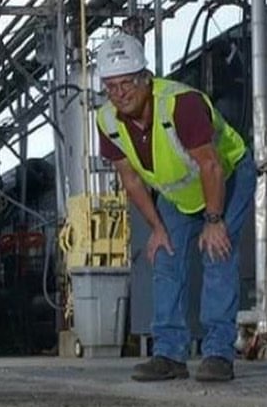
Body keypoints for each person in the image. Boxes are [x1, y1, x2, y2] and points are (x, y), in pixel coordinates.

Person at [95, 33, 256, 382]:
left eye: (127, 83)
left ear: (145, 78)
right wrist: (157, 228)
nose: (120, 93)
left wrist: (214, 220)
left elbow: (211, 165)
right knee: (165, 259)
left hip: (227, 176)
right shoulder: (107, 121)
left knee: (217, 253)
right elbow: (131, 181)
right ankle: (169, 354)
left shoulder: (181, 105)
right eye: (111, 86)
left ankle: (218, 353)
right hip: (179, 193)